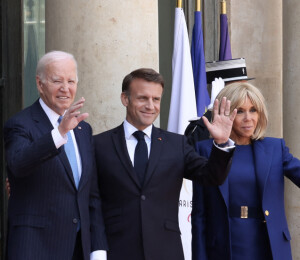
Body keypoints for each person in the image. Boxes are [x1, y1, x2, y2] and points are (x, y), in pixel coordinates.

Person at [93, 68, 237, 260]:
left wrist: (220, 144)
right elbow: (91, 203)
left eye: (156, 99)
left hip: (165, 250)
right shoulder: (98, 145)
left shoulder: (177, 144)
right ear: (125, 99)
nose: (150, 106)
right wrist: (97, 251)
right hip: (116, 250)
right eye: (142, 98)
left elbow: (212, 176)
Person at [4, 51, 108, 260]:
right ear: (40, 84)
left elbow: (91, 195)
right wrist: (59, 133)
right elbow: (18, 164)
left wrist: (98, 249)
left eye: (71, 81)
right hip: (36, 248)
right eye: (57, 81)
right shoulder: (20, 124)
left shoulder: (83, 130)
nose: (65, 88)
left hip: (80, 249)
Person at [192, 82, 300, 260]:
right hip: (223, 246)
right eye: (239, 111)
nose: (248, 118)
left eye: (253, 110)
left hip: (269, 245)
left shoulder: (274, 148)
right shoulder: (205, 150)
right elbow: (199, 215)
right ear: (224, 113)